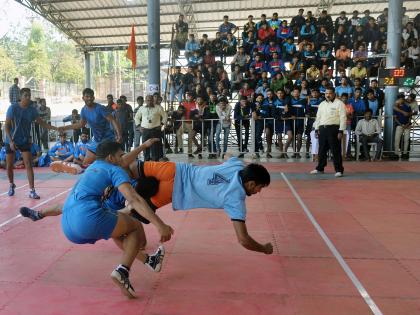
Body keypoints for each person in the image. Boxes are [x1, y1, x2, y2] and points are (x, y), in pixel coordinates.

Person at [21, 151, 273, 257]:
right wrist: (265, 249)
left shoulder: (238, 166)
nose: (258, 192)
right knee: (135, 236)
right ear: (251, 184)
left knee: (126, 170)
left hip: (172, 168)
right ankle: (116, 221)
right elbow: (243, 239)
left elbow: (234, 158)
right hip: (169, 190)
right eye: (259, 188)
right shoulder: (236, 200)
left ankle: (46, 208)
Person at [24, 141, 173, 298]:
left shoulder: (94, 167)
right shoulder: (115, 170)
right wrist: (160, 225)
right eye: (121, 155)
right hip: (87, 219)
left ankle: (149, 261)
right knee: (134, 226)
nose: (124, 157)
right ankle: (123, 271)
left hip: (68, 225)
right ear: (111, 158)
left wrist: (142, 147)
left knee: (119, 229)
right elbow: (134, 199)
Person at [4, 88, 58, 198]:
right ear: (20, 96)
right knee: (9, 165)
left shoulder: (32, 110)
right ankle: (11, 184)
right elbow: (7, 126)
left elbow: (42, 123)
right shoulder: (13, 108)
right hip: (11, 140)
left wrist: (56, 129)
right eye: (25, 96)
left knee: (28, 164)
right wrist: (10, 141)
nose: (28, 97)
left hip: (24, 140)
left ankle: (32, 190)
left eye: (29, 95)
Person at [56, 88, 122, 167]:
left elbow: (113, 120)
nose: (89, 98)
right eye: (87, 96)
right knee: (85, 163)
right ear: (83, 98)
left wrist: (119, 135)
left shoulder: (100, 108)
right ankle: (81, 168)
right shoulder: (84, 110)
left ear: (93, 98)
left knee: (113, 163)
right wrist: (64, 128)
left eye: (91, 96)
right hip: (96, 140)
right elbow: (81, 124)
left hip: (108, 139)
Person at [310, 87, 346, 177]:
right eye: (326, 93)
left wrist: (341, 131)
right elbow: (318, 117)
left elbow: (343, 118)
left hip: (334, 129)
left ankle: (339, 170)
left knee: (335, 150)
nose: (328, 95)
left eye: (329, 93)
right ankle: (320, 168)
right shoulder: (322, 104)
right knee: (321, 150)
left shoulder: (339, 103)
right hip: (322, 129)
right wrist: (316, 129)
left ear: (334, 94)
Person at [135, 94, 167, 161]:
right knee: (145, 147)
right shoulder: (142, 108)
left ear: (153, 100)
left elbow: (165, 116)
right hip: (145, 130)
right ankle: (146, 161)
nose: (149, 102)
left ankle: (155, 162)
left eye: (151, 100)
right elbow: (136, 117)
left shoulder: (158, 108)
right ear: (145, 101)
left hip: (155, 130)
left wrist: (161, 124)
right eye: (148, 100)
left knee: (155, 147)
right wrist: (139, 126)